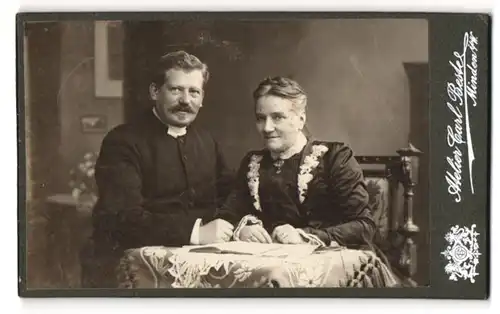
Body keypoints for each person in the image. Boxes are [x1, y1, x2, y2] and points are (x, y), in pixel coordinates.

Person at [85, 51, 235, 287]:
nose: (186, 100)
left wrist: (244, 224)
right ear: (155, 92)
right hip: (136, 269)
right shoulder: (122, 141)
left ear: (202, 97)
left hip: (201, 263)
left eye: (194, 92)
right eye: (176, 90)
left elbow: (231, 196)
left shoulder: (207, 141)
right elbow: (123, 219)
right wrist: (196, 232)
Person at [215, 76, 376, 248]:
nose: (267, 128)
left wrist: (304, 236)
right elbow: (228, 214)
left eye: (277, 117)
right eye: (261, 118)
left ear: (301, 119)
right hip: (271, 263)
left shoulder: (335, 158)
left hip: (329, 260)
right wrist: (243, 229)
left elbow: (364, 226)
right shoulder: (252, 163)